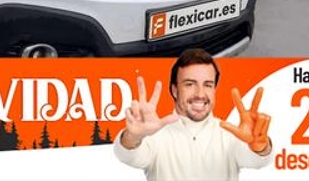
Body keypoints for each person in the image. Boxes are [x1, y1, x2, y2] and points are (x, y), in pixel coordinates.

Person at [114, 48, 272, 181]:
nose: (200, 94)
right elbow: (128, 155)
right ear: (175, 90)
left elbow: (257, 161)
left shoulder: (230, 134)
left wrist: (260, 147)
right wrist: (133, 137)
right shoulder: (155, 135)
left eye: (208, 85)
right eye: (190, 84)